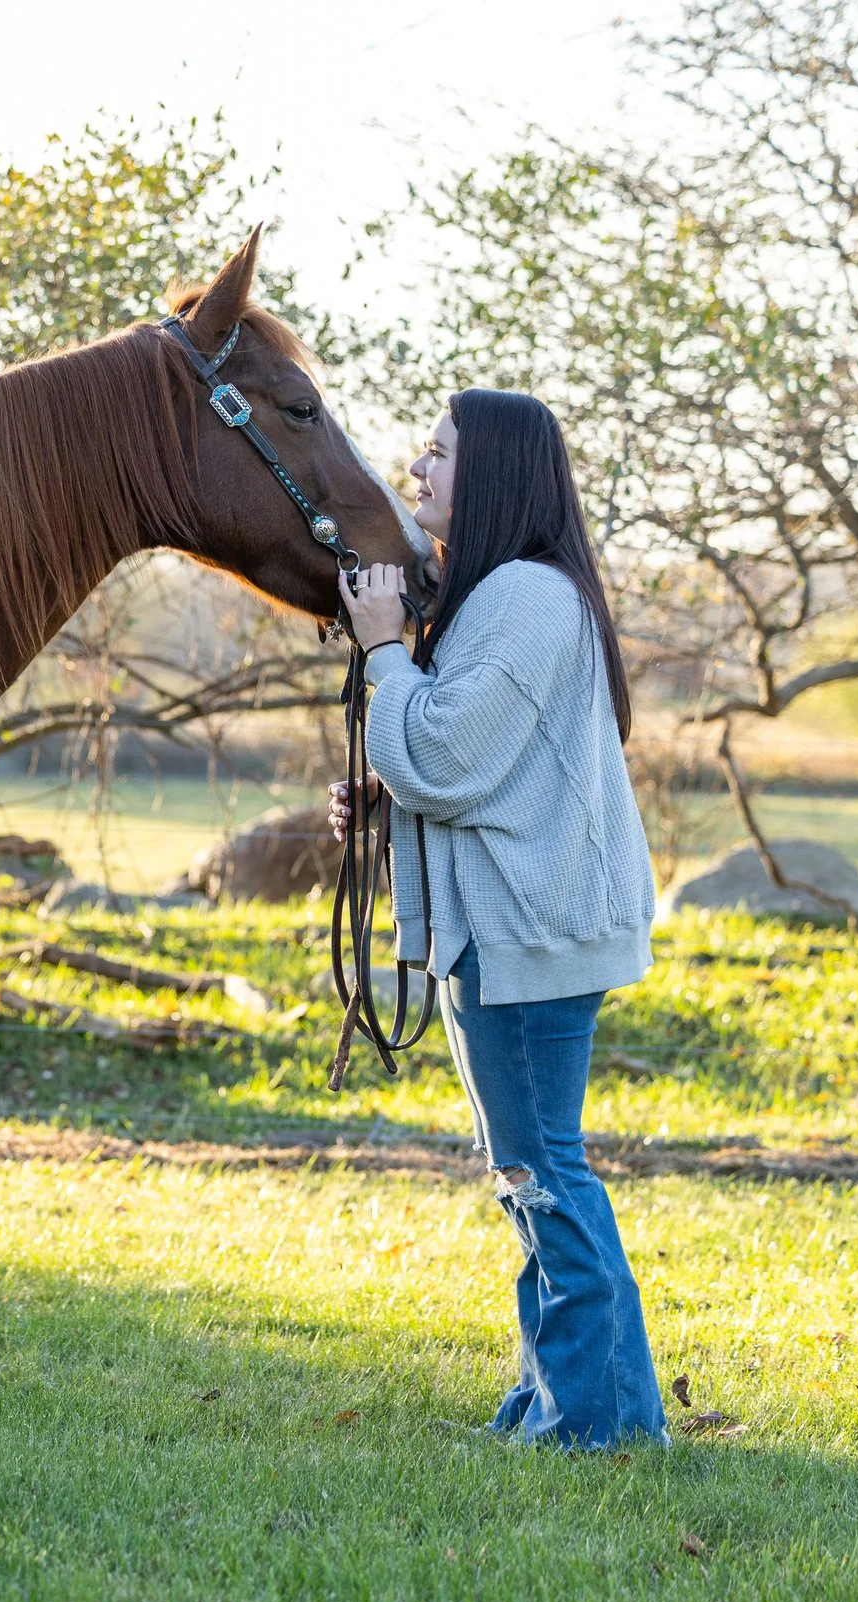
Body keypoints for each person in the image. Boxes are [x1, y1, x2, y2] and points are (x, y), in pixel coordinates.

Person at [330, 389, 666, 1449]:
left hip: (528, 934)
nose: (416, 469)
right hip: (510, 931)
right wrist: (388, 794)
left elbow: (445, 753)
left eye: (437, 453)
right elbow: (462, 763)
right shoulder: (504, 597)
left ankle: (599, 1424)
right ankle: (552, 1400)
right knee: (527, 1175)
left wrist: (383, 651)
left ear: (499, 474)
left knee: (542, 1173)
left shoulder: (522, 594)